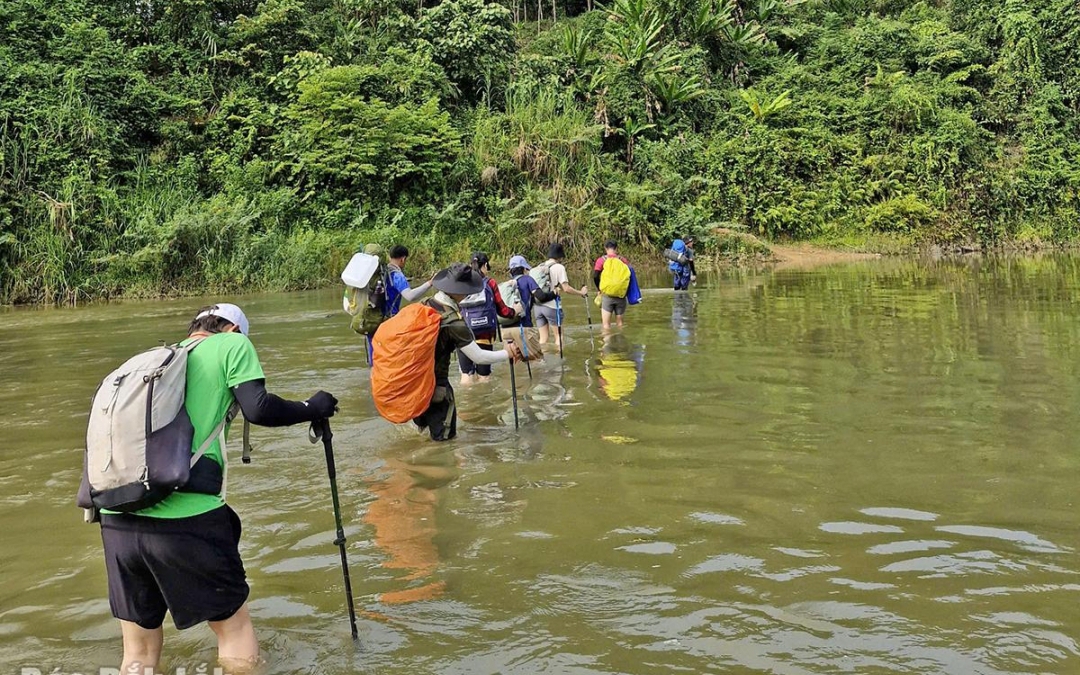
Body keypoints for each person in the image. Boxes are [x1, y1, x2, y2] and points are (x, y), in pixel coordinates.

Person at [97, 303, 339, 673]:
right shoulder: (232, 345)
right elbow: (258, 408)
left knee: (138, 652)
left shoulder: (155, 360)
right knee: (233, 628)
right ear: (231, 328)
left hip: (117, 517)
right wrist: (311, 407)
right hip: (186, 517)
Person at [416, 263, 524, 441]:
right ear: (458, 291)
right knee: (444, 444)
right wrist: (507, 353)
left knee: (426, 437)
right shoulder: (453, 322)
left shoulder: (424, 305)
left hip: (416, 385)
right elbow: (479, 357)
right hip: (436, 388)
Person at [457, 252, 517, 384]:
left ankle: (469, 403)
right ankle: (485, 400)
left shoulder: (461, 284)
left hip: (463, 333)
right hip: (485, 334)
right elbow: (503, 310)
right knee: (484, 376)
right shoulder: (490, 283)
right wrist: (514, 312)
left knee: (466, 375)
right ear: (484, 265)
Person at [533, 242, 588, 352]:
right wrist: (581, 293)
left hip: (538, 307)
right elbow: (566, 288)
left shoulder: (539, 267)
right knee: (559, 337)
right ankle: (559, 364)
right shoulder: (559, 267)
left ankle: (541, 362)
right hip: (552, 307)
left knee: (543, 339)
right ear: (560, 256)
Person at [592, 240, 632, 330]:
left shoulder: (601, 260)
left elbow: (595, 276)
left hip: (607, 295)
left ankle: (608, 343)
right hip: (621, 295)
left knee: (606, 325)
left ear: (605, 248)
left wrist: (599, 289)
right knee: (620, 323)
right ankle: (621, 342)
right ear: (616, 248)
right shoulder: (623, 260)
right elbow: (629, 276)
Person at [386, 244, 435, 316]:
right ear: (403, 259)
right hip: (389, 316)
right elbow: (410, 296)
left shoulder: (384, 271)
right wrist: (430, 283)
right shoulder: (397, 276)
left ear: (390, 258)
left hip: (375, 315)